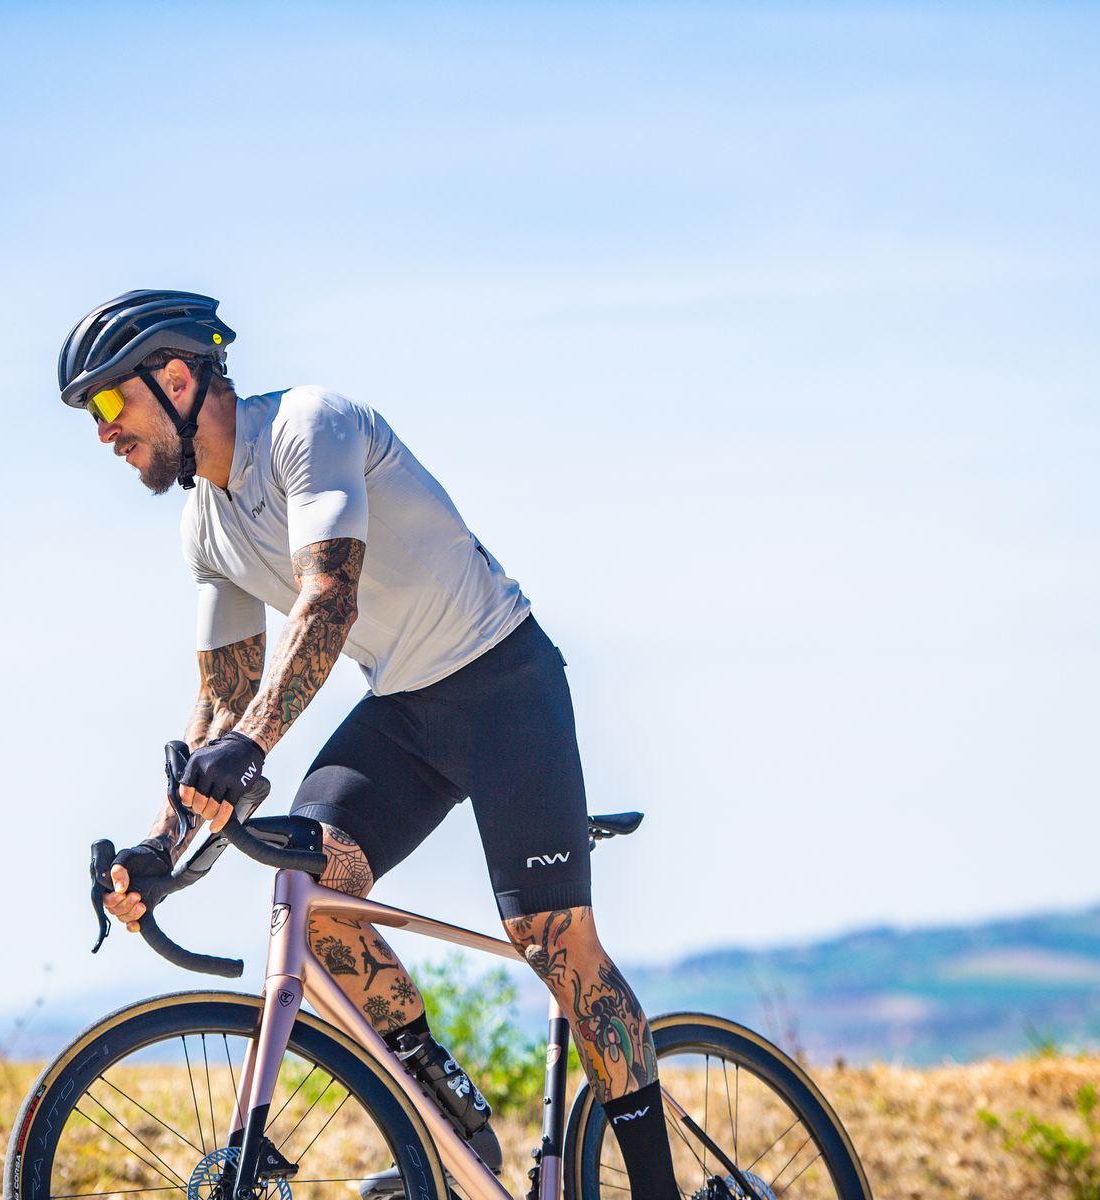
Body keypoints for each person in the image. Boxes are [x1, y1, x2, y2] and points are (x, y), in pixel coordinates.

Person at [57, 290, 680, 1200]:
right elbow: (222, 696)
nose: (104, 431)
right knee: (315, 890)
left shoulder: (308, 427)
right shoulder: (206, 525)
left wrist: (252, 744)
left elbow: (329, 599)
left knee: (554, 942)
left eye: (111, 402)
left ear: (179, 379)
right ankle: (453, 1124)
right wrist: (163, 844)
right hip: (405, 709)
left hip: (505, 684)